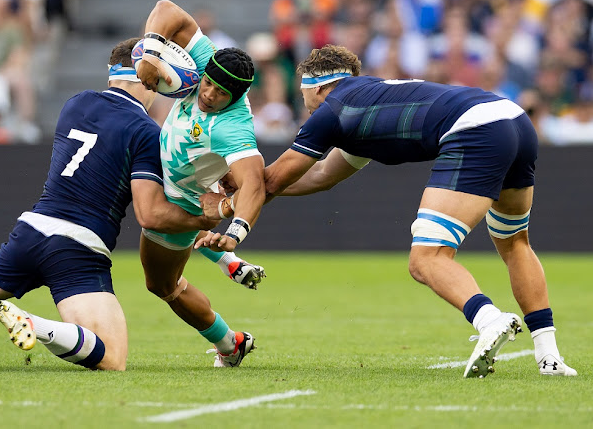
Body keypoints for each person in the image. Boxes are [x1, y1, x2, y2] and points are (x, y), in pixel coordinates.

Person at [198, 44, 577, 378]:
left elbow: (275, 181)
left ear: (317, 88)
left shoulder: (331, 111)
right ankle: (549, 356)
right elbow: (321, 176)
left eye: (305, 95)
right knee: (514, 243)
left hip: (474, 130)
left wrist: (230, 203)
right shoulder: (367, 98)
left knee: (425, 260)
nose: (306, 105)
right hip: (512, 119)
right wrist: (253, 187)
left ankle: (488, 319)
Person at [0, 38, 220, 371]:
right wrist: (207, 215)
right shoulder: (145, 131)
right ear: (145, 75)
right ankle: (34, 324)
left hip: (32, 230)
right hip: (78, 246)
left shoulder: (75, 104)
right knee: (112, 356)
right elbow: (150, 214)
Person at [134, 0, 266, 367]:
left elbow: (254, 183)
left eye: (220, 94)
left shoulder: (232, 126)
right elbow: (166, 10)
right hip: (160, 167)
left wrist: (233, 225)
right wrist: (151, 52)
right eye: (207, 84)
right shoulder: (210, 61)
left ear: (236, 97)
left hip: (179, 203)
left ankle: (231, 342)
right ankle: (228, 263)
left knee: (162, 286)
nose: (207, 94)